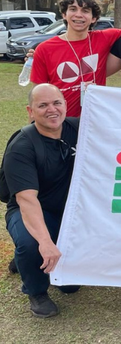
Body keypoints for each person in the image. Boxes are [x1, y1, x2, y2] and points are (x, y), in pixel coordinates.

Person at [3, 84, 80, 318]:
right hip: (32, 209)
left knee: (70, 287)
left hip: (68, 210)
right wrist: (45, 241)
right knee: (32, 243)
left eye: (57, 103)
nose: (52, 110)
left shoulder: (79, 128)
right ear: (30, 111)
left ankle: (26, 260)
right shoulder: (22, 147)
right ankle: (36, 291)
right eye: (43, 105)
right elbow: (27, 200)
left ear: (65, 105)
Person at [30, 0, 121, 117]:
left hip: (94, 119)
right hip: (60, 122)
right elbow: (37, 96)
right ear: (64, 14)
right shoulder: (45, 49)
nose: (78, 14)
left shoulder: (104, 38)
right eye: (73, 9)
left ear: (94, 18)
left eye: (85, 11)